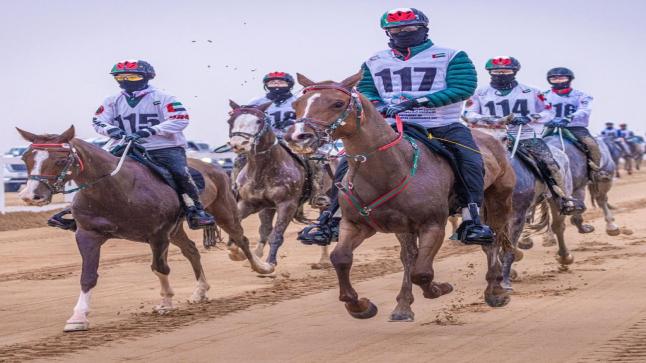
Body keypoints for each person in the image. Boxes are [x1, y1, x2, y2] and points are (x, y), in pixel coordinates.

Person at [299, 7, 494, 246]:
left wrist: (419, 101)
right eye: (395, 30)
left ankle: (471, 218)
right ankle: (331, 218)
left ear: (423, 28)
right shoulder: (375, 60)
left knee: (470, 160)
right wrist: (379, 104)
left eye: (409, 28)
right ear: (387, 33)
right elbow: (367, 90)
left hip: (440, 124)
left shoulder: (452, 56)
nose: (402, 33)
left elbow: (463, 87)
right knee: (347, 162)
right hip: (390, 125)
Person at [48, 60, 215, 231]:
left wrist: (150, 131)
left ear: (146, 77)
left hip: (163, 147)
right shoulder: (112, 100)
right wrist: (113, 131)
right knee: (96, 172)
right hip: (124, 145)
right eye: (121, 76)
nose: (126, 80)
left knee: (180, 173)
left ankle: (195, 211)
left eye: (132, 76)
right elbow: (98, 121)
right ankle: (77, 212)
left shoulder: (163, 98)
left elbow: (180, 119)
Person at [464, 57, 581, 215]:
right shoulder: (479, 93)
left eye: (506, 71)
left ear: (514, 72)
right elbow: (468, 113)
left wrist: (530, 117)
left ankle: (562, 198)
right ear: (490, 72)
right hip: (490, 137)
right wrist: (490, 120)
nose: (501, 74)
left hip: (525, 136)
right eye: (496, 71)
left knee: (550, 162)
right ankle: (461, 201)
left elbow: (549, 112)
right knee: (464, 161)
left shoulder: (533, 92)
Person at [231, 72, 329, 208]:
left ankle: (318, 193)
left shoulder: (298, 100)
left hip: (292, 139)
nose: (276, 84)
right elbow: (245, 117)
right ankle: (235, 190)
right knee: (240, 158)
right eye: (272, 82)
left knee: (315, 159)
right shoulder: (256, 102)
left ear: (289, 84)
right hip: (264, 141)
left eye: (280, 81)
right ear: (266, 85)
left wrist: (293, 123)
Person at [542, 67, 602, 171]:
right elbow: (538, 110)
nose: (558, 81)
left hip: (575, 128)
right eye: (554, 79)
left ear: (569, 79)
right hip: (550, 127)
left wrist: (568, 118)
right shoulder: (543, 96)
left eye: (561, 78)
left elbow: (584, 110)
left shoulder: (582, 95)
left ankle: (596, 171)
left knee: (592, 145)